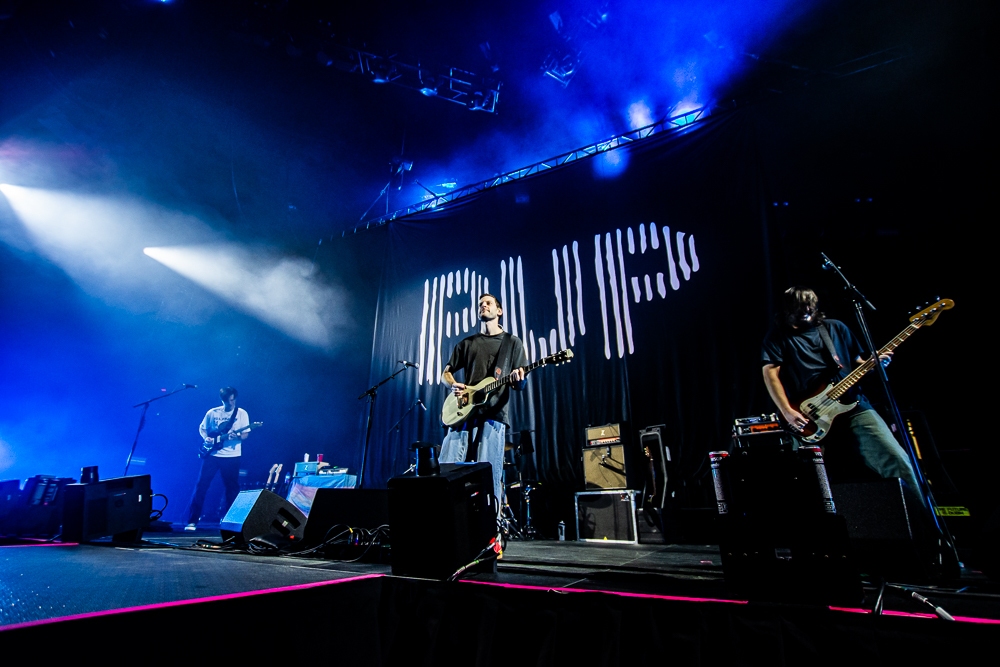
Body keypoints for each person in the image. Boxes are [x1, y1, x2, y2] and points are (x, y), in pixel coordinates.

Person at [761, 287, 922, 495]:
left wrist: (876, 364)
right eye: (801, 307)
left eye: (810, 306)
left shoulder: (835, 328)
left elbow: (858, 362)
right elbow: (770, 374)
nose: (807, 310)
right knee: (805, 482)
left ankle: (924, 522)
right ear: (788, 310)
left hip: (854, 405)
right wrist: (786, 410)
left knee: (898, 460)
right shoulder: (777, 337)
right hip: (810, 416)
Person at [441, 293, 528, 514]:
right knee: (446, 469)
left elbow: (520, 385)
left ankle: (491, 528)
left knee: (488, 473)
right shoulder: (467, 343)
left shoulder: (512, 343)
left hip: (494, 416)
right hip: (463, 413)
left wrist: (520, 378)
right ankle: (445, 520)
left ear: (499, 311)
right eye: (480, 304)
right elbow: (446, 373)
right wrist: (453, 385)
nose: (483, 306)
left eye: (488, 303)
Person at [185, 386, 250, 530]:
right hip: (213, 455)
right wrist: (206, 438)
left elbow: (245, 434)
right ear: (223, 400)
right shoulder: (212, 413)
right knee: (201, 486)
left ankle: (230, 522)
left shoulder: (241, 413)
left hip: (232, 456)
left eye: (233, 400)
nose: (231, 403)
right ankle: (192, 520)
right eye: (228, 401)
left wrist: (237, 436)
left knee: (231, 488)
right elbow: (202, 428)